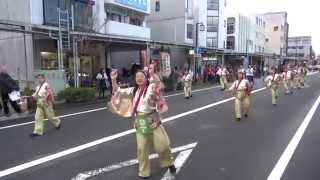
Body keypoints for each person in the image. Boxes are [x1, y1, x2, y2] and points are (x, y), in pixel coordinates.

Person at [110, 69, 176, 179]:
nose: (139, 78)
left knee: (162, 146)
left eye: (142, 76)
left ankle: (169, 162)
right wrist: (113, 79)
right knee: (142, 149)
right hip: (140, 122)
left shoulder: (150, 88)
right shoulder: (133, 91)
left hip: (153, 120)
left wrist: (153, 74)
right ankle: (144, 172)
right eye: (137, 77)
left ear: (146, 78)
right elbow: (118, 91)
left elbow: (159, 85)